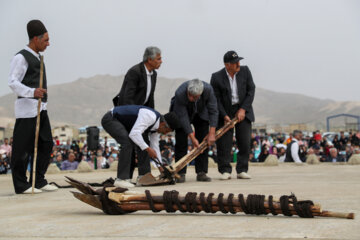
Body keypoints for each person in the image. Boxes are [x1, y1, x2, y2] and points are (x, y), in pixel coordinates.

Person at [8, 20, 57, 194]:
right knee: (22, 147)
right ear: (36, 39)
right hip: (27, 109)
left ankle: (38, 180)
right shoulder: (21, 57)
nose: (48, 43)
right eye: (46, 40)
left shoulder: (38, 57)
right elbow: (12, 82)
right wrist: (31, 92)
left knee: (47, 143)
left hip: (41, 108)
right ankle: (21, 184)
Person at [112, 46, 162, 178]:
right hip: (129, 113)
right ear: (149, 60)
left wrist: (152, 117)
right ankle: (125, 177)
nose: (161, 61)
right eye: (158, 58)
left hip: (143, 114)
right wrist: (134, 117)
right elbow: (127, 97)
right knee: (130, 145)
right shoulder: (134, 72)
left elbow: (150, 97)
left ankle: (144, 175)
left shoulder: (154, 74)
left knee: (143, 144)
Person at [101, 105, 180, 188]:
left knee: (144, 144)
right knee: (127, 144)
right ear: (163, 124)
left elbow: (154, 147)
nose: (165, 134)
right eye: (166, 131)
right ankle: (121, 179)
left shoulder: (157, 128)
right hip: (111, 119)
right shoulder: (150, 117)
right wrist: (148, 149)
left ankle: (142, 178)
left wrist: (161, 168)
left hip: (124, 124)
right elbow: (134, 134)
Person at [210, 51, 255, 180]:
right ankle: (225, 170)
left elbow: (251, 91)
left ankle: (242, 169)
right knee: (224, 143)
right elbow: (215, 99)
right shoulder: (216, 77)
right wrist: (224, 115)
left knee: (245, 141)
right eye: (235, 62)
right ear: (227, 65)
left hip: (243, 109)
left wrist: (243, 109)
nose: (238, 64)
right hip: (224, 110)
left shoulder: (245, 71)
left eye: (239, 61)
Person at [170, 79, 218, 183]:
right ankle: (180, 172)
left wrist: (212, 133)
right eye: (190, 95)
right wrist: (192, 138)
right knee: (181, 140)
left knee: (203, 142)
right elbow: (183, 117)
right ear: (187, 91)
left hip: (201, 113)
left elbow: (213, 111)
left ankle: (201, 172)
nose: (191, 98)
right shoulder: (180, 93)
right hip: (182, 112)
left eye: (195, 97)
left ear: (201, 94)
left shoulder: (208, 90)